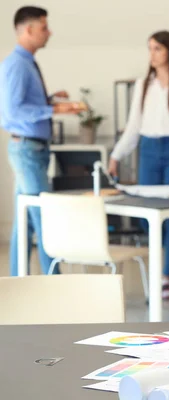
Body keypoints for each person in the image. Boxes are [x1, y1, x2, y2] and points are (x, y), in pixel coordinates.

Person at [108, 31, 169, 299]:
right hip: (148, 150)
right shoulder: (143, 85)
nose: (152, 54)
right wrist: (116, 155)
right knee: (147, 216)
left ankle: (166, 277)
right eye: (149, 48)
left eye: (157, 49)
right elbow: (133, 127)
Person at [0, 6, 84, 276]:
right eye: (44, 27)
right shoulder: (17, 65)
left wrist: (49, 100)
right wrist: (56, 109)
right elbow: (12, 112)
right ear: (29, 30)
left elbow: (24, 105)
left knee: (24, 222)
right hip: (27, 150)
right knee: (43, 218)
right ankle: (55, 283)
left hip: (31, 149)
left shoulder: (27, 63)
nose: (49, 32)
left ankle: (16, 282)